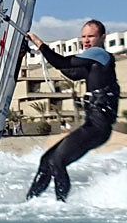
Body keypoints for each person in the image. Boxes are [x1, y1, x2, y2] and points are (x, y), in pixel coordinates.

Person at [25, 19, 119, 202]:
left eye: (91, 36)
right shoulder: (95, 64)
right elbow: (72, 73)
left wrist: (39, 43)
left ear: (102, 37)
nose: (86, 40)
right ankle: (30, 202)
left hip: (98, 126)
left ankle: (62, 205)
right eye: (83, 36)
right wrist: (46, 55)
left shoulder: (99, 54)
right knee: (46, 161)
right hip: (94, 125)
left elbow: (62, 62)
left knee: (56, 162)